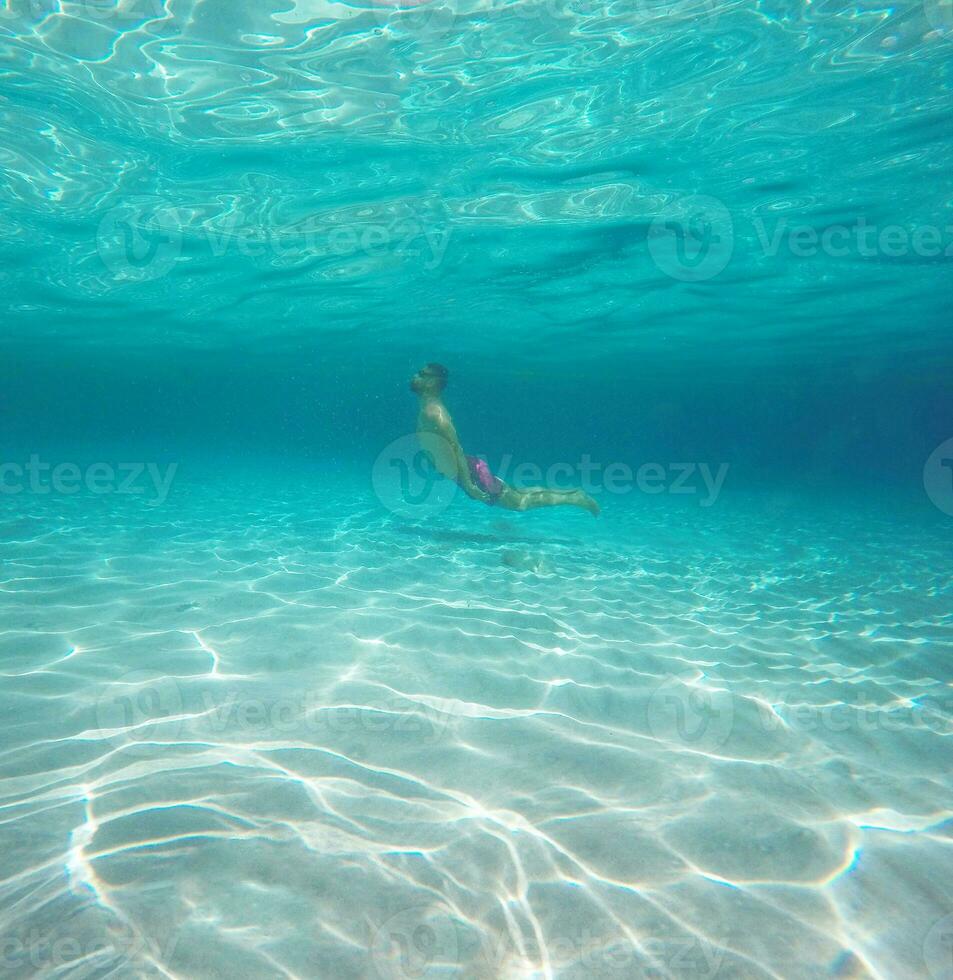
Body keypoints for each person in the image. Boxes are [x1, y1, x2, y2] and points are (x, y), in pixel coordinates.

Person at [410, 363, 599, 516]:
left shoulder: (435, 413)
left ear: (432, 382)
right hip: (466, 471)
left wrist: (469, 485)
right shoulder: (427, 407)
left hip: (469, 473)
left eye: (421, 373)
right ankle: (571, 494)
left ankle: (574, 498)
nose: (415, 376)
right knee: (515, 493)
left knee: (519, 504)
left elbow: (456, 449)